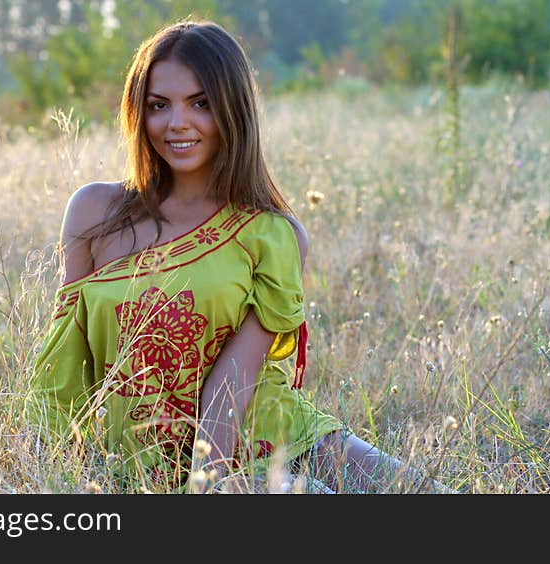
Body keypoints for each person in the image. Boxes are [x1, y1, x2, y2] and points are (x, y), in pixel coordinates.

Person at [26, 20, 451, 494]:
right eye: (159, 106)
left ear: (232, 109)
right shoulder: (95, 212)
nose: (177, 123)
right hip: (139, 459)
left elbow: (235, 378)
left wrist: (209, 480)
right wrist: (45, 467)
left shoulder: (272, 234)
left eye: (200, 103)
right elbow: (61, 362)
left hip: (260, 434)